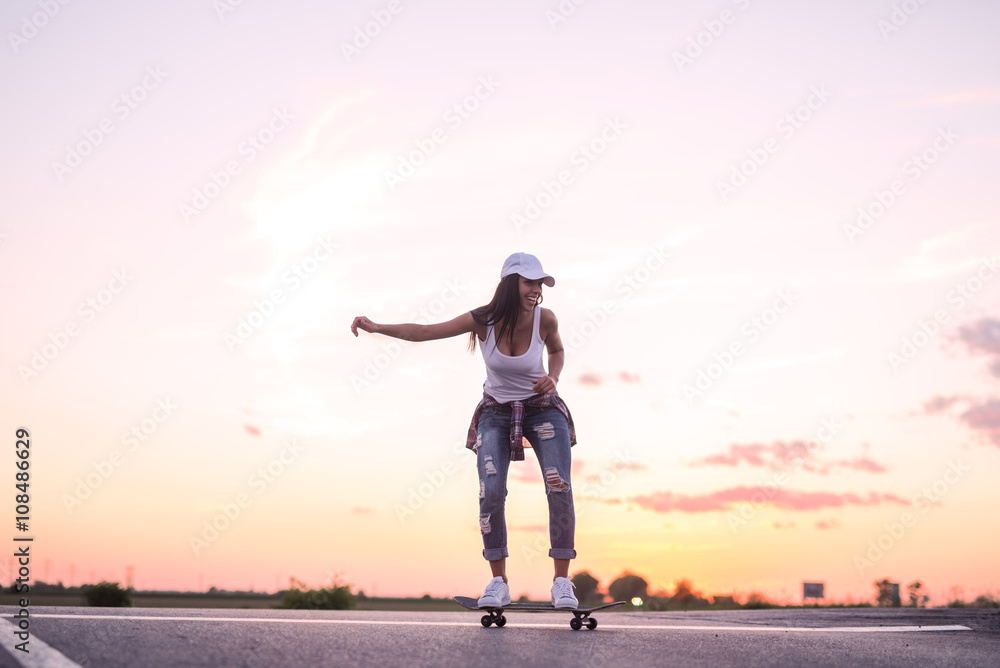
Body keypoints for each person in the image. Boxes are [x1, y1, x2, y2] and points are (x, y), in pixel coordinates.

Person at [350, 252, 580, 609]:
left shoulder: (545, 319)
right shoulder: (482, 320)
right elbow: (424, 332)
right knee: (490, 491)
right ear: (509, 284)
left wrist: (554, 377)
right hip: (496, 412)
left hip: (543, 410)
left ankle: (562, 582)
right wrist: (378, 327)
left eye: (539, 283)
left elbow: (559, 350)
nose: (536, 289)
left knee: (558, 483)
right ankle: (498, 582)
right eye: (529, 282)